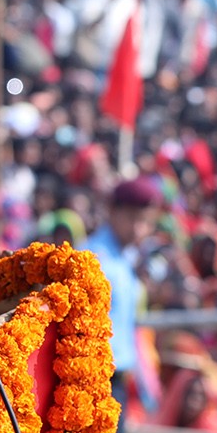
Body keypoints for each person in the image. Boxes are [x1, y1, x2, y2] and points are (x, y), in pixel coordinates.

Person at [82, 176, 160, 411]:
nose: (138, 228)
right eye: (132, 218)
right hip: (95, 375)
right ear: (112, 212)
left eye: (144, 221)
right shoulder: (94, 257)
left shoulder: (128, 255)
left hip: (119, 373)